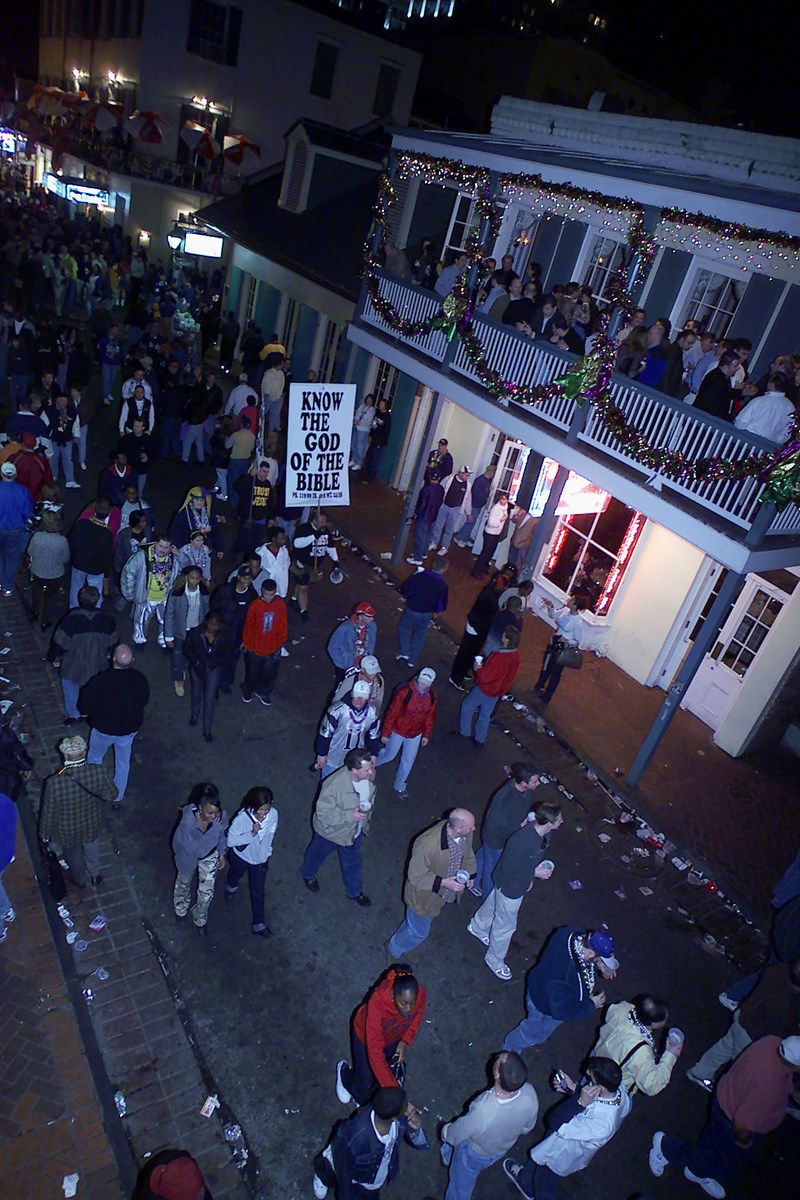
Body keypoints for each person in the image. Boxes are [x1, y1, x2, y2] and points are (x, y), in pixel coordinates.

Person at [649, 1035, 800, 1199]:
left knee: (710, 1143)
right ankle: (666, 1148)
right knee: (725, 1161)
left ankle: (697, 1172)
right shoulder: (767, 1085)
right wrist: (744, 1142)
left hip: (725, 1097)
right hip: (730, 1119)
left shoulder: (772, 1042)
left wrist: (791, 1091)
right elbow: (741, 1124)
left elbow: (784, 1074)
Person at [503, 1057, 631, 1200]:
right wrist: (575, 1089)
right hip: (560, 1141)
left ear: (601, 1087)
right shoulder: (619, 1091)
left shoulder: (602, 1125)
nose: (587, 1076)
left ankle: (532, 1188)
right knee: (538, 1161)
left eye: (591, 1078)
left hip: (563, 1152)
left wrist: (580, 1102)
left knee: (544, 1182)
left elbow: (556, 1121)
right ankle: (525, 1181)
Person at [468, 796, 563, 981]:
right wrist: (534, 873)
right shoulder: (524, 840)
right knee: (506, 926)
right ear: (550, 822)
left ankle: (478, 927)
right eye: (559, 819)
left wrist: (531, 874)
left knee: (493, 904)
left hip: (506, 882)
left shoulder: (541, 834)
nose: (562, 821)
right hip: (511, 887)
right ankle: (494, 959)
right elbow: (513, 867)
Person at [686, 960, 800, 1091]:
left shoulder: (778, 969)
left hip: (744, 1015)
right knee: (741, 1067)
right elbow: (779, 1031)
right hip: (751, 1035)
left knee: (725, 1047)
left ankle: (700, 1072)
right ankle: (728, 1096)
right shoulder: (787, 1006)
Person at [503, 927, 619, 1053]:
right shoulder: (565, 977)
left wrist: (599, 964)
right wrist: (590, 1005)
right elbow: (562, 1012)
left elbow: (583, 959)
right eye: (601, 959)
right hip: (543, 1004)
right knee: (531, 1029)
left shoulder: (569, 933)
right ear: (591, 954)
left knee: (540, 1030)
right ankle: (509, 1052)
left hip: (539, 984)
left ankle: (534, 1039)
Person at [440, 1052, 538, 1200]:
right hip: (498, 1151)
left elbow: (455, 1135)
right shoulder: (530, 1093)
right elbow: (527, 1128)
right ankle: (449, 1158)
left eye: (499, 1060)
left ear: (498, 1074)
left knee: (460, 1185)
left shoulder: (483, 1109)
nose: (497, 1056)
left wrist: (445, 1131)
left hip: (473, 1153)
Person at [387, 809, 477, 959]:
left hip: (439, 896)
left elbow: (468, 854)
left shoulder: (463, 833)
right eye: (470, 827)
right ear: (458, 828)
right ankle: (394, 949)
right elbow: (415, 876)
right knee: (420, 932)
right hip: (423, 897)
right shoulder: (427, 845)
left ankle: (405, 940)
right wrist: (443, 882)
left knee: (414, 924)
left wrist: (471, 874)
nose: (473, 829)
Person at [336, 965, 427, 1108]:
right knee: (363, 1081)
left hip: (392, 1037)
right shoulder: (377, 1002)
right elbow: (374, 1052)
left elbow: (417, 1016)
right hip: (364, 1038)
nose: (409, 1009)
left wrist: (404, 1041)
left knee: (382, 1071)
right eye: (403, 1003)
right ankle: (344, 1074)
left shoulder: (420, 993)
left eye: (412, 1003)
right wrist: (398, 1096)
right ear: (392, 994)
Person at [299, 747, 376, 906]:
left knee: (353, 862)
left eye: (371, 768)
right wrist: (350, 816)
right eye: (367, 770)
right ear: (354, 770)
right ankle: (308, 874)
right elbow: (323, 813)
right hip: (330, 833)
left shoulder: (367, 777)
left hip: (353, 831)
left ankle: (355, 891)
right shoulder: (333, 785)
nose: (371, 773)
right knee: (316, 855)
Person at [38, 735, 116, 889]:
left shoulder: (54, 782)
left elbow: (48, 812)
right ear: (84, 752)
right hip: (92, 821)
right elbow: (112, 795)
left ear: (65, 755)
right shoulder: (99, 771)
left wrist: (44, 834)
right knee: (92, 848)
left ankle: (80, 879)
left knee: (73, 854)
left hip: (67, 828)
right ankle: (94, 875)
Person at [313, 1086, 416, 1200]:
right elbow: (343, 1173)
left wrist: (414, 1128)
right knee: (333, 1171)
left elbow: (411, 1133)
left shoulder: (393, 1119)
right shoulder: (352, 1138)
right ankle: (322, 1175)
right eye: (406, 1105)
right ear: (393, 1117)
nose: (409, 1106)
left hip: (372, 1179)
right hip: (352, 1170)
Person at [80, 644, 150, 808]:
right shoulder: (139, 679)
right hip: (128, 729)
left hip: (103, 729)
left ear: (112, 659)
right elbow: (144, 700)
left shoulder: (100, 680)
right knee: (122, 762)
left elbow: (85, 706)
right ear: (132, 660)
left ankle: (93, 790)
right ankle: (117, 797)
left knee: (95, 757)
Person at [472, 764, 546, 900]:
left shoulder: (526, 791)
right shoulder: (504, 798)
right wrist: (519, 825)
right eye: (535, 781)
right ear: (523, 783)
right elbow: (493, 825)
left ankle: (471, 878)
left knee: (484, 856)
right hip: (496, 840)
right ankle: (487, 897)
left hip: (503, 837)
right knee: (492, 868)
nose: (538, 783)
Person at [50, 584, 118, 724]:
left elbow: (60, 642)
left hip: (73, 663)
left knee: (69, 686)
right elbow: (114, 642)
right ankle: (91, 712)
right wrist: (110, 655)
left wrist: (56, 658)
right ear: (97, 600)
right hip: (98, 662)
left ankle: (74, 715)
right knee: (94, 688)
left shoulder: (70, 620)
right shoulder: (106, 621)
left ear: (80, 599)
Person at [593, 995, 683, 1096]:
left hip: (596, 1058)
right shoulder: (641, 1052)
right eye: (664, 1019)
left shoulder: (623, 1008)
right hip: (611, 1084)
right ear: (653, 1023)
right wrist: (670, 1055)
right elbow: (651, 1086)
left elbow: (609, 1013)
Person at [171, 782, 229, 937]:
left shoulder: (220, 816)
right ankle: (180, 908)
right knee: (183, 884)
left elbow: (223, 834)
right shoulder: (187, 824)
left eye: (216, 812)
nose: (214, 817)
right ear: (199, 808)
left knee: (206, 893)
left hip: (210, 855)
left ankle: (200, 918)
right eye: (210, 813)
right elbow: (195, 850)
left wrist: (221, 853)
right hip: (188, 857)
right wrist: (215, 830)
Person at [375, 668, 437, 799]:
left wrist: (426, 734)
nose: (423, 685)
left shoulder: (431, 696)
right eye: (422, 682)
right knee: (389, 755)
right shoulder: (404, 693)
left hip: (415, 733)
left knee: (408, 761)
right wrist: (386, 733)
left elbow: (430, 716)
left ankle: (399, 785)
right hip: (398, 731)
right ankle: (370, 764)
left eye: (426, 683)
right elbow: (392, 713)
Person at [224, 786, 278, 936]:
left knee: (258, 890)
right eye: (260, 810)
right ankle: (230, 888)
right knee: (235, 874)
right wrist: (252, 833)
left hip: (259, 860)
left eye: (266, 810)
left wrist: (267, 852)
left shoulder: (273, 814)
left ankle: (258, 924)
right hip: (241, 857)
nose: (263, 814)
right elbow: (231, 841)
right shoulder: (242, 818)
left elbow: (272, 831)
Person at [459, 627, 521, 748]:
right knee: (485, 715)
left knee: (468, 706)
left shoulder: (500, 657)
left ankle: (464, 732)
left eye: (504, 635)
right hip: (497, 691)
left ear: (507, 640)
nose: (502, 636)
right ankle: (480, 738)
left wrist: (478, 668)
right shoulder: (516, 655)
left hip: (485, 688)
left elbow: (486, 676)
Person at [121, 534, 181, 648]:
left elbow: (187, 568)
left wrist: (180, 555)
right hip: (146, 597)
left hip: (165, 597)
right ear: (155, 544)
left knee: (165, 621)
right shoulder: (141, 557)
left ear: (171, 548)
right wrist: (129, 593)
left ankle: (163, 639)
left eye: (166, 547)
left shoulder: (174, 558)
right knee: (141, 621)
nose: (163, 550)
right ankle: (140, 640)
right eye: (161, 546)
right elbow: (128, 573)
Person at [316, 680, 382, 779]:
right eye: (357, 695)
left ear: (368, 697)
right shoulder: (336, 710)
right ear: (352, 693)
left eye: (363, 696)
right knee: (328, 783)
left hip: (356, 759)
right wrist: (322, 754)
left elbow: (374, 736)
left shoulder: (372, 713)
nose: (359, 700)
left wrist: (373, 754)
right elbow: (325, 734)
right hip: (334, 755)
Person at [240, 577, 288, 706]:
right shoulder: (255, 606)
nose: (268, 597)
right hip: (255, 647)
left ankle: (264, 692)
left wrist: (280, 642)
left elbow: (283, 625)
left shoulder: (280, 606)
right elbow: (249, 626)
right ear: (262, 591)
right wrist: (248, 644)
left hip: (272, 646)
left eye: (271, 594)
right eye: (266, 594)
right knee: (252, 671)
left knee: (270, 673)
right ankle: (248, 690)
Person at [164, 568, 210, 696]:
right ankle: (178, 679)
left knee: (194, 654)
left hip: (196, 630)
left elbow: (207, 612)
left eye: (197, 578)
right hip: (180, 631)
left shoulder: (204, 592)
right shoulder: (177, 593)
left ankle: (190, 672)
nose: (194, 581)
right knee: (177, 654)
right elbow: (169, 615)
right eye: (192, 578)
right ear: (186, 578)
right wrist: (168, 636)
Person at [212, 564, 257, 693]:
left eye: (249, 579)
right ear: (238, 577)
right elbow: (214, 609)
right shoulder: (225, 591)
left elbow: (251, 619)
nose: (246, 582)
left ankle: (225, 682)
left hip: (237, 635)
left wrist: (246, 637)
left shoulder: (252, 596)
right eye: (244, 578)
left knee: (232, 660)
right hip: (222, 632)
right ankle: (214, 681)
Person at [533, 597, 588, 705]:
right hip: (554, 642)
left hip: (562, 648)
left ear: (575, 606)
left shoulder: (578, 622)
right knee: (546, 666)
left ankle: (546, 697)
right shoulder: (565, 611)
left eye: (571, 600)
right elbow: (554, 615)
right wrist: (551, 606)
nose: (568, 600)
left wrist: (567, 641)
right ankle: (539, 686)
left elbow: (577, 641)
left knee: (555, 673)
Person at [397, 556, 448, 668]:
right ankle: (412, 659)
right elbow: (441, 603)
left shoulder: (419, 577)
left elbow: (406, 588)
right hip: (427, 613)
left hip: (413, 609)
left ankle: (404, 651)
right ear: (444, 569)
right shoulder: (442, 586)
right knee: (420, 635)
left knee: (404, 628)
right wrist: (437, 612)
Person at [184, 612, 228, 742]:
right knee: (196, 692)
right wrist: (196, 662)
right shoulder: (195, 633)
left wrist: (216, 662)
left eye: (216, 625)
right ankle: (194, 714)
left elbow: (227, 653)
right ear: (206, 622)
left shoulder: (223, 636)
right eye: (211, 624)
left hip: (213, 669)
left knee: (209, 698)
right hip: (198, 667)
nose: (213, 627)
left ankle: (207, 730)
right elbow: (187, 649)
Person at [290, 511, 338, 623]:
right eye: (321, 521)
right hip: (301, 563)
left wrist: (336, 561)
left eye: (324, 521)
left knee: (301, 584)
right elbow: (297, 543)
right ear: (313, 521)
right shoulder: (303, 529)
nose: (323, 523)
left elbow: (330, 546)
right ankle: (303, 611)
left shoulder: (325, 531)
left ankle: (293, 599)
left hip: (314, 565)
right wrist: (313, 537)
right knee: (304, 586)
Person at [67, 497, 114, 609]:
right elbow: (107, 556)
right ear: (109, 512)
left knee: (76, 588)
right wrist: (106, 573)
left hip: (79, 563)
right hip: (96, 568)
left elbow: (71, 541)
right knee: (95, 590)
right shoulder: (107, 534)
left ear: (94, 508)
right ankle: (95, 611)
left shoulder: (82, 524)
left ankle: (74, 610)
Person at [26, 509, 70, 629]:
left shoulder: (37, 536)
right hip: (54, 574)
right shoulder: (62, 541)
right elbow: (65, 558)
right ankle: (45, 621)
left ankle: (35, 612)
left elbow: (30, 552)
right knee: (51, 598)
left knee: (37, 592)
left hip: (38, 570)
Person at [0, 462, 34, 596]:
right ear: (15, 475)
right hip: (15, 530)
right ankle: (7, 586)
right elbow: (28, 512)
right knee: (12, 558)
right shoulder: (23, 491)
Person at [734, 373, 795, 444]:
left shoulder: (759, 401)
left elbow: (740, 422)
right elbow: (786, 433)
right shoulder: (790, 408)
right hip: (767, 447)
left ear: (772, 383)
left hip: (746, 440)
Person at [328, 602, 378, 685]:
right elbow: (332, 647)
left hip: (363, 665)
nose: (372, 619)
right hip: (347, 666)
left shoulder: (372, 626)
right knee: (343, 687)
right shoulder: (344, 628)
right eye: (369, 616)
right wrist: (343, 663)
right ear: (360, 616)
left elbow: (372, 643)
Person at [430, 468, 473, 554]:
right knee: (438, 526)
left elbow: (468, 499)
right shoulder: (449, 479)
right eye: (466, 475)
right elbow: (440, 490)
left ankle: (444, 547)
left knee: (449, 530)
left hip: (455, 509)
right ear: (460, 473)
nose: (467, 477)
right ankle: (434, 542)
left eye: (468, 475)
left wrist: (468, 513)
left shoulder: (467, 485)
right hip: (444, 506)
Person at [406, 471, 444, 566]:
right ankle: (424, 553)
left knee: (420, 536)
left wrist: (416, 513)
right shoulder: (441, 489)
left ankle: (417, 558)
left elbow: (421, 504)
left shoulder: (425, 489)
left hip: (424, 515)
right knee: (428, 535)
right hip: (434, 515)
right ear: (439, 478)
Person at [693, 350, 740, 421]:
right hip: (703, 419)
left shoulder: (724, 378)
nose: (738, 368)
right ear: (725, 367)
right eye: (735, 366)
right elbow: (720, 399)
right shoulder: (716, 379)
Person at [455, 465, 493, 548]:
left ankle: (464, 537)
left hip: (478, 505)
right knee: (470, 522)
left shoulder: (486, 480)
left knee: (472, 522)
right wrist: (486, 495)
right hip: (474, 504)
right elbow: (476, 493)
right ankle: (460, 538)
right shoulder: (480, 480)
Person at [362, 398, 392, 482]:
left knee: (375, 460)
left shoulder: (387, 417)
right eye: (380, 404)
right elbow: (373, 423)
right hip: (373, 439)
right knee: (369, 457)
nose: (380, 405)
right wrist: (370, 435)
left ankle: (371, 478)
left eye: (382, 404)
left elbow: (386, 431)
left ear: (385, 406)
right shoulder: (377, 413)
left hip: (379, 441)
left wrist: (381, 442)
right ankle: (365, 474)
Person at [351, 394, 376, 470]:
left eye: (370, 400)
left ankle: (359, 463)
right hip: (356, 427)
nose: (368, 401)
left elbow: (368, 420)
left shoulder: (372, 410)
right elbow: (357, 413)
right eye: (368, 399)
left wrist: (360, 422)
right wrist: (355, 420)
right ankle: (353, 460)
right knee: (354, 444)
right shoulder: (362, 406)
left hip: (363, 430)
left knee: (360, 447)